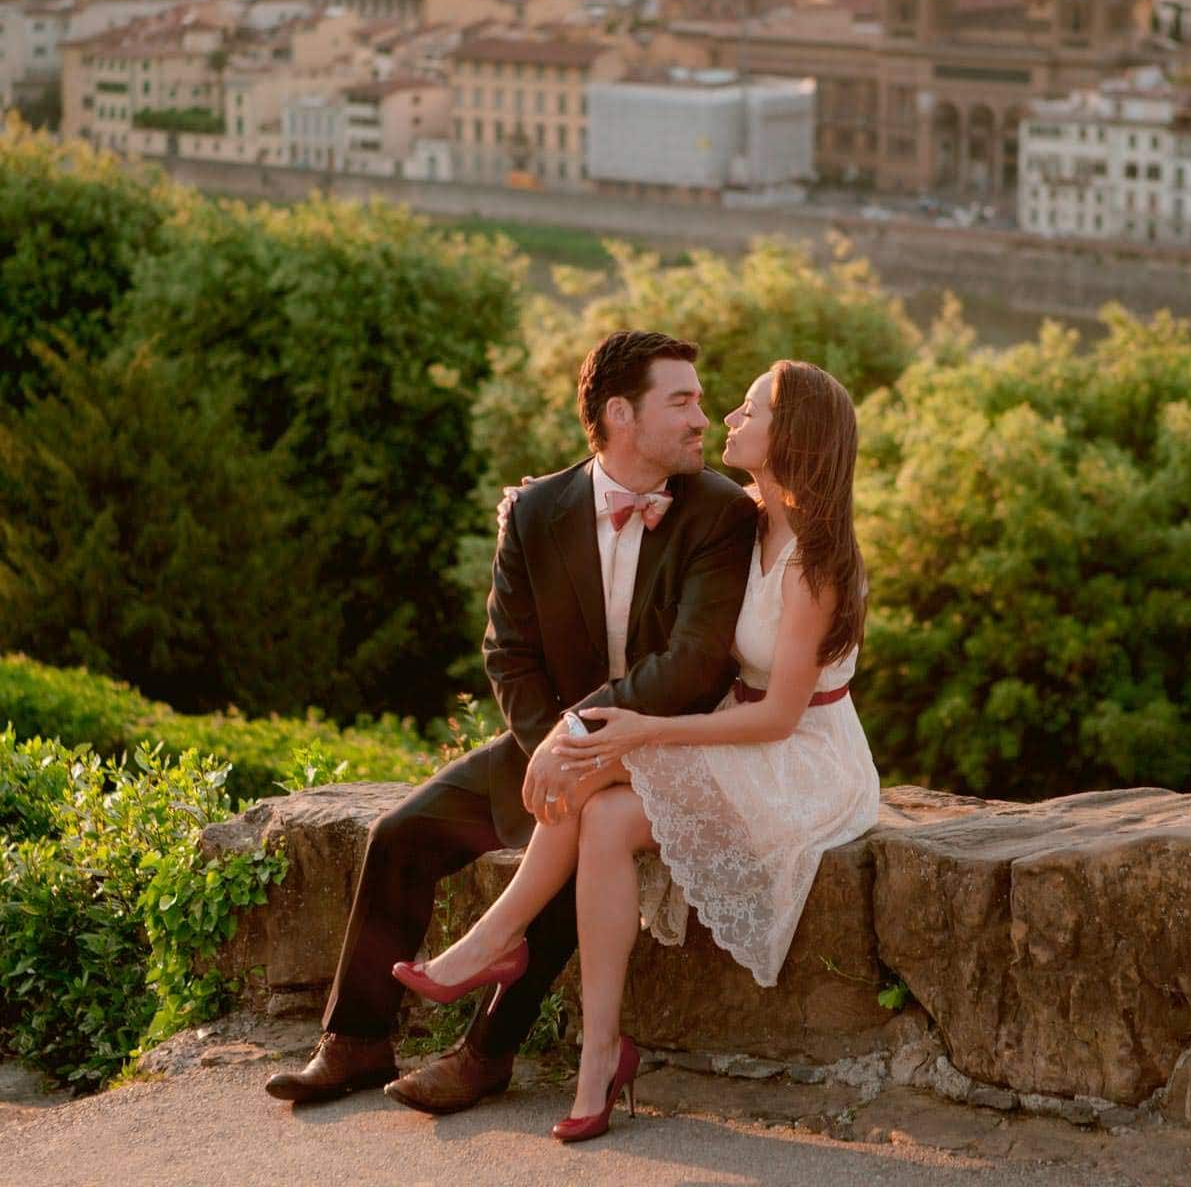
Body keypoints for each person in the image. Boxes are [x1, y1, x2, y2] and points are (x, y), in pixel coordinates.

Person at [265, 329, 758, 1109]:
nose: (704, 418)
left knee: (577, 864)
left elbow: (693, 664)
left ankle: (486, 1054)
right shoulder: (535, 510)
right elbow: (508, 655)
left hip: (659, 746)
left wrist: (578, 741)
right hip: (544, 741)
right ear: (621, 414)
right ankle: (356, 1040)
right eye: (684, 401)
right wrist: (549, 748)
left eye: (700, 400)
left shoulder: (722, 514)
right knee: (401, 834)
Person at [400, 360, 879, 1142]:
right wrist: (525, 502)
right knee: (606, 815)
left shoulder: (817, 563)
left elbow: (779, 718)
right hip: (738, 730)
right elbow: (613, 491)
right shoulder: (743, 518)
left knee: (604, 768)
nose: (727, 416)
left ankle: (496, 943)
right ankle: (598, 1049)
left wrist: (645, 730)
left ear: (787, 434)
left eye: (749, 408)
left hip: (802, 754)